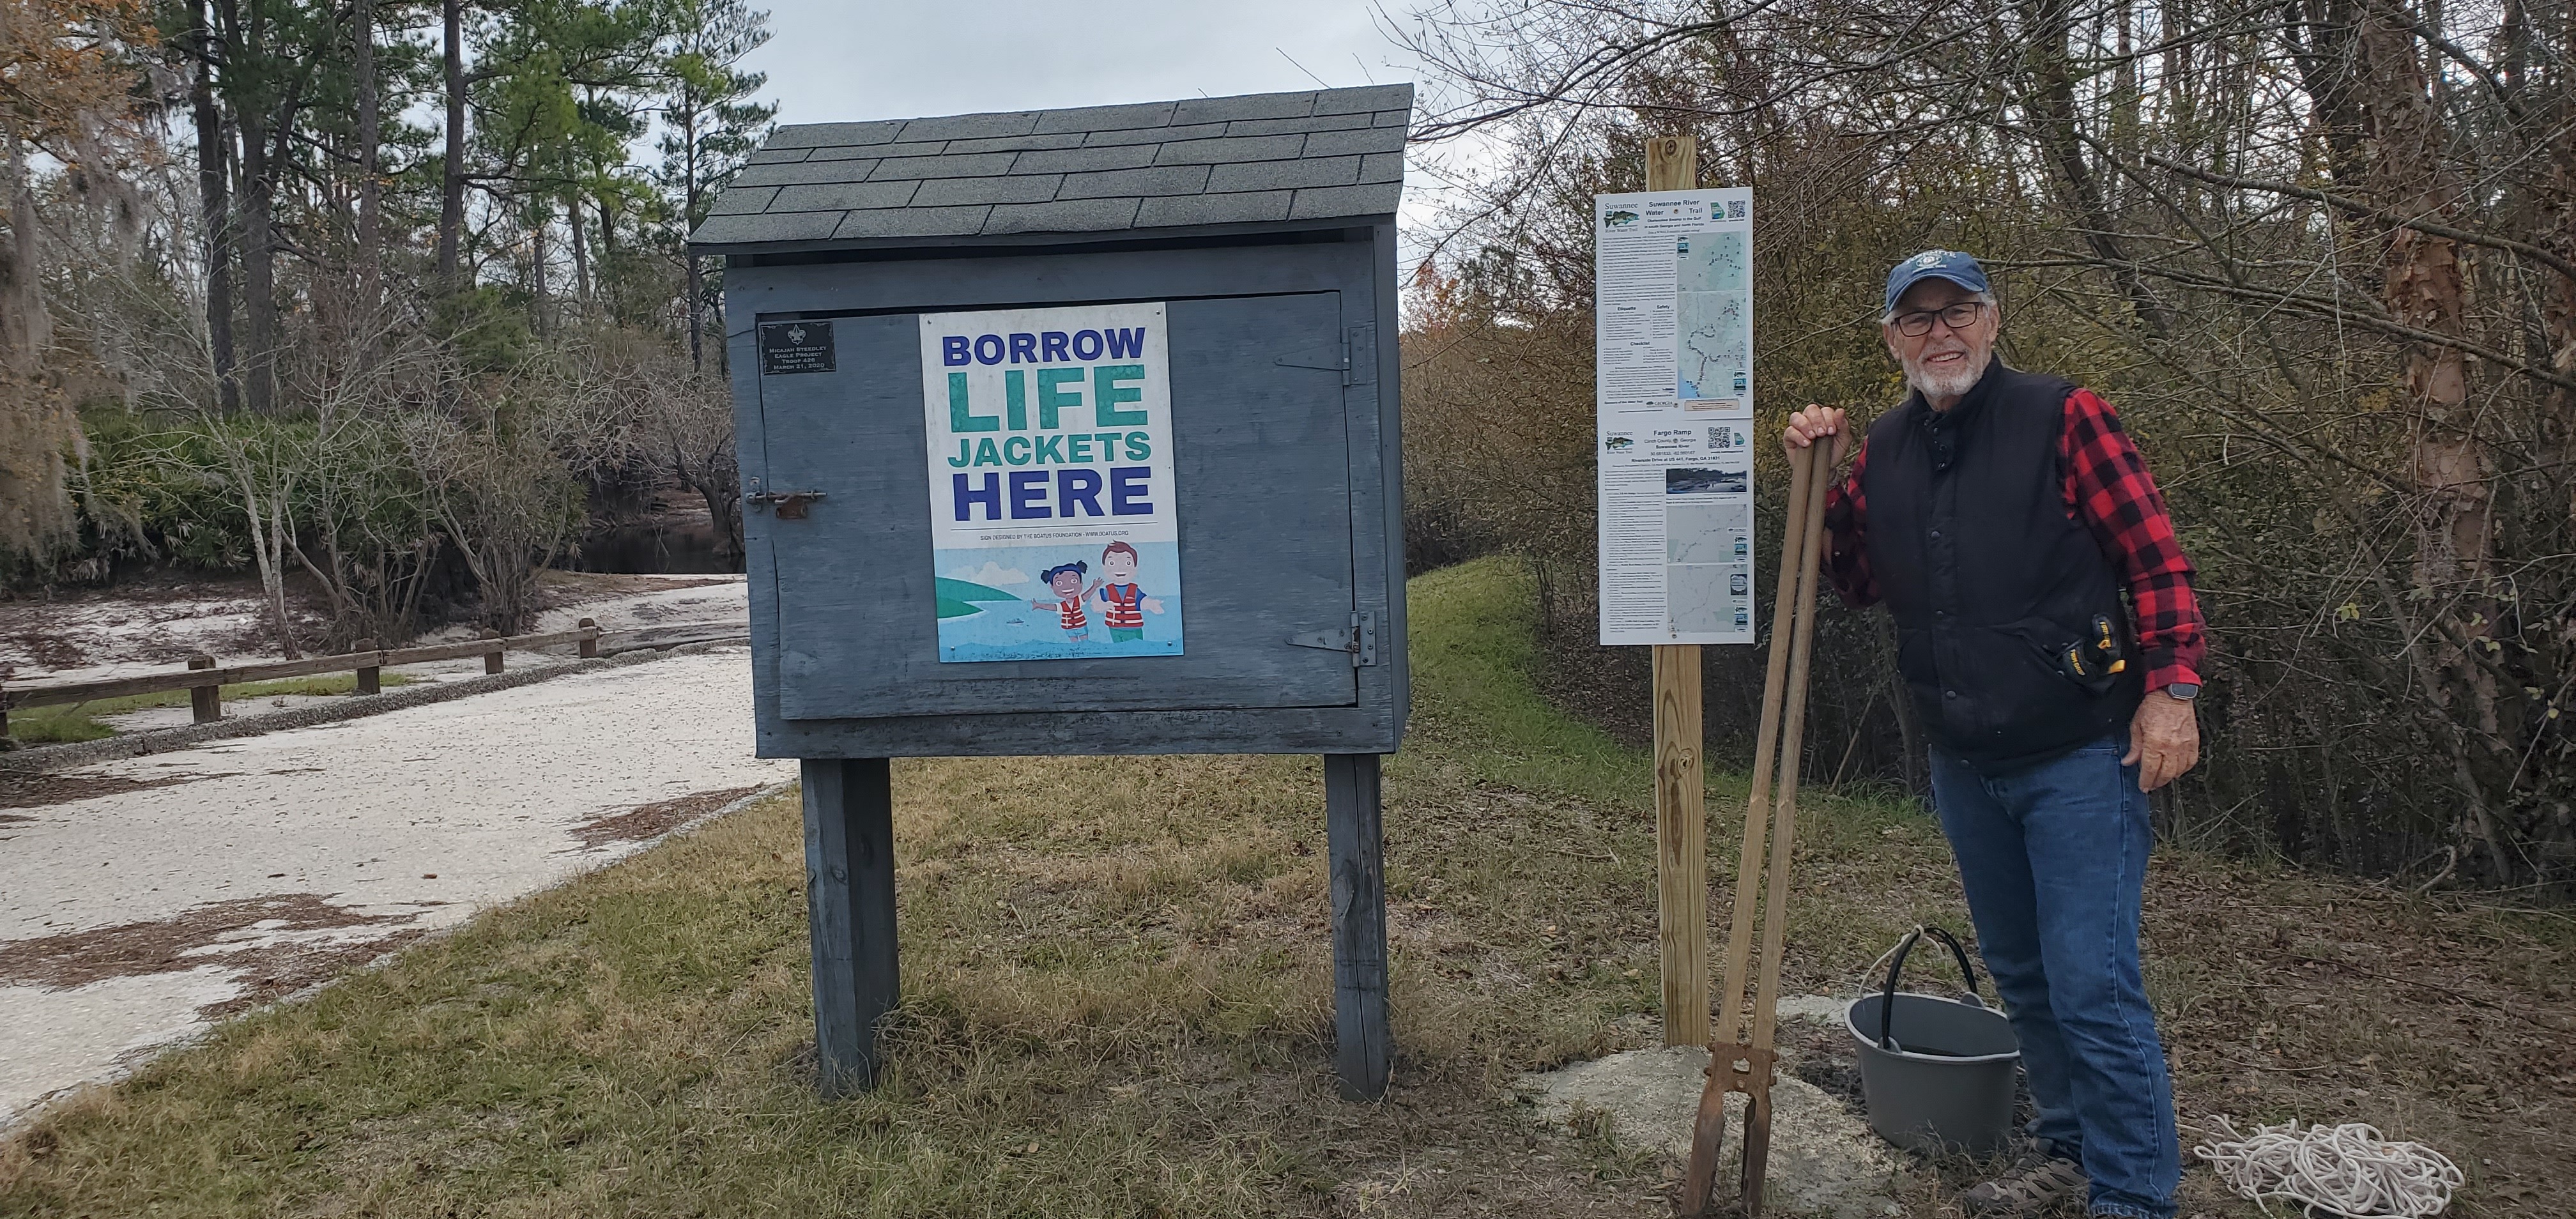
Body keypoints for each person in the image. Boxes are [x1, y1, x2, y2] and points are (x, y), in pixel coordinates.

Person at [1783, 250, 2206, 1219]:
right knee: (2021, 973)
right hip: (1966, 760)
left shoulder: (2065, 416)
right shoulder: (1886, 449)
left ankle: (2135, 1196)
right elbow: (1849, 578)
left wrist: (2172, 689)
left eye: (1958, 312)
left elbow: (2156, 560)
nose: (1941, 333)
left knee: (2092, 981)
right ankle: (2066, 1149)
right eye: (1917, 318)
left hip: (2083, 751)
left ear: (1992, 320)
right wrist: (1818, 468)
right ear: (1892, 339)